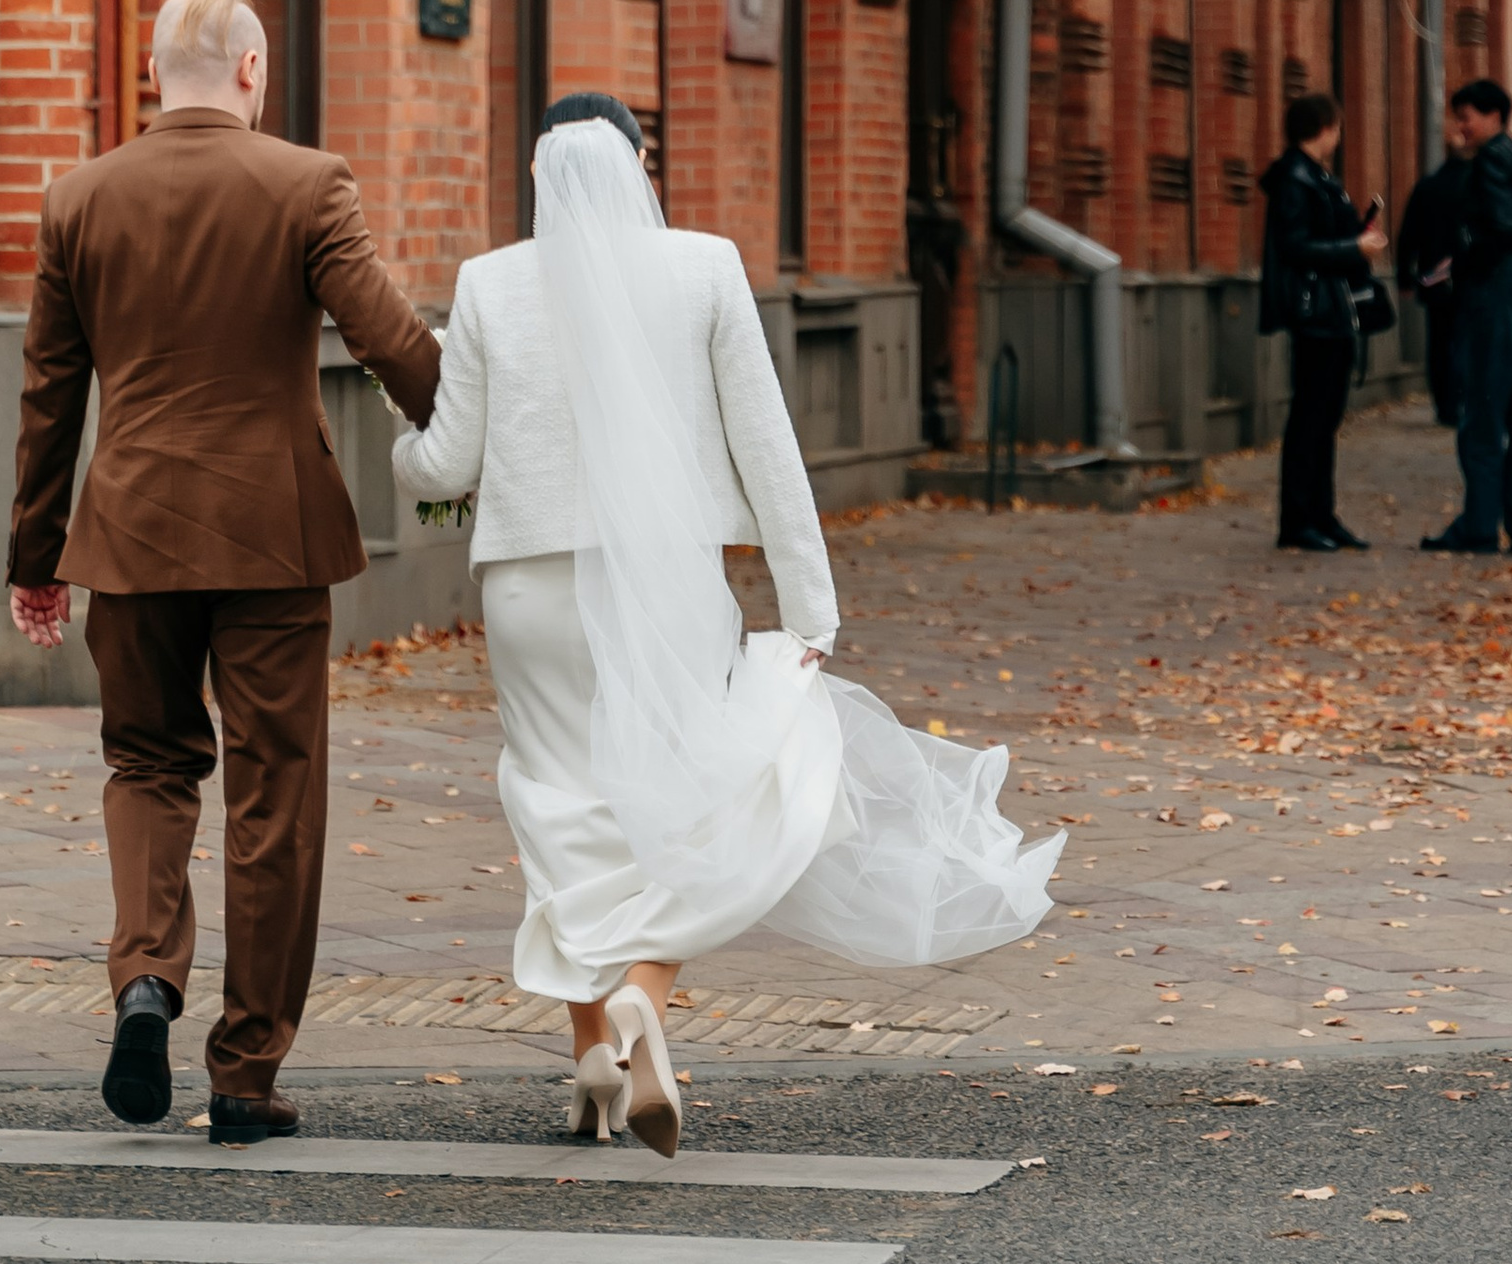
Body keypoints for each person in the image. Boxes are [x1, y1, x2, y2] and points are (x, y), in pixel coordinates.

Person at [391, 91, 1058, 1159]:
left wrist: (402, 445)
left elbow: (445, 462)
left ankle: (591, 1061)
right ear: (640, 162)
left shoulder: (486, 281)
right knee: (688, 799)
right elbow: (766, 444)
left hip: (526, 595)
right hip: (661, 587)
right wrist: (810, 607)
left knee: (559, 803)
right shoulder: (703, 266)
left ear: (538, 175)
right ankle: (645, 993)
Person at [5, 0, 442, 1143]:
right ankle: (245, 1070)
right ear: (252, 70)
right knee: (274, 790)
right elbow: (388, 335)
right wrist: (465, 442)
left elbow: (51, 395)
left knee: (146, 763)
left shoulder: (78, 199)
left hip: (131, 531)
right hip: (272, 534)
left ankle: (144, 975)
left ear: (157, 75)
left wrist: (35, 553)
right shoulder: (306, 184)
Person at [1422, 76, 1512, 557]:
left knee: (1482, 409)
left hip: (1501, 287)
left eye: (1467, 116)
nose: (1460, 126)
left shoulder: (1491, 161)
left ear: (1493, 116)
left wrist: (1459, 264)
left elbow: (1497, 228)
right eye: (1458, 117)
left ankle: (1480, 526)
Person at [1258, 93, 1388, 551]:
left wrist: (1356, 237)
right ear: (1324, 127)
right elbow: (1296, 247)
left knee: (1326, 415)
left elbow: (1322, 236)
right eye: (1336, 125)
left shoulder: (1316, 177)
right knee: (1311, 416)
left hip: (1331, 306)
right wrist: (1355, 249)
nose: (1340, 134)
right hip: (1315, 309)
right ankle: (1299, 520)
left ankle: (1321, 514)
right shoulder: (1297, 179)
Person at [1395, 145, 1473, 427]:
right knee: (1466, 339)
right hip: (1469, 278)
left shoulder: (1427, 187)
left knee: (1439, 341)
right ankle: (1463, 399)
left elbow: (1407, 236)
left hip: (1433, 278)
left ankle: (1444, 404)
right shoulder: (1475, 187)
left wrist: (1405, 277)